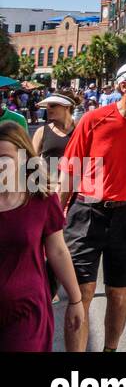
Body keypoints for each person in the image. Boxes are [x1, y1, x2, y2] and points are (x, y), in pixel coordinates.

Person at [57, 60, 126, 352]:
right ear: (124, 86)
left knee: (119, 292)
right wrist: (54, 216)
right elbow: (70, 171)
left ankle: (110, 349)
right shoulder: (93, 120)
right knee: (81, 292)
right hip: (87, 211)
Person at [0, 122, 85, 352]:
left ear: (23, 158)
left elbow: (58, 251)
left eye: (5, 157)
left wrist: (76, 301)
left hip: (27, 312)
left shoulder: (42, 199)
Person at [32, 91, 77, 187]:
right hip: (47, 189)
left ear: (67, 107)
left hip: (74, 189)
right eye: (47, 106)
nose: (48, 108)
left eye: (52, 105)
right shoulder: (41, 131)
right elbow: (31, 162)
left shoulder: (81, 130)